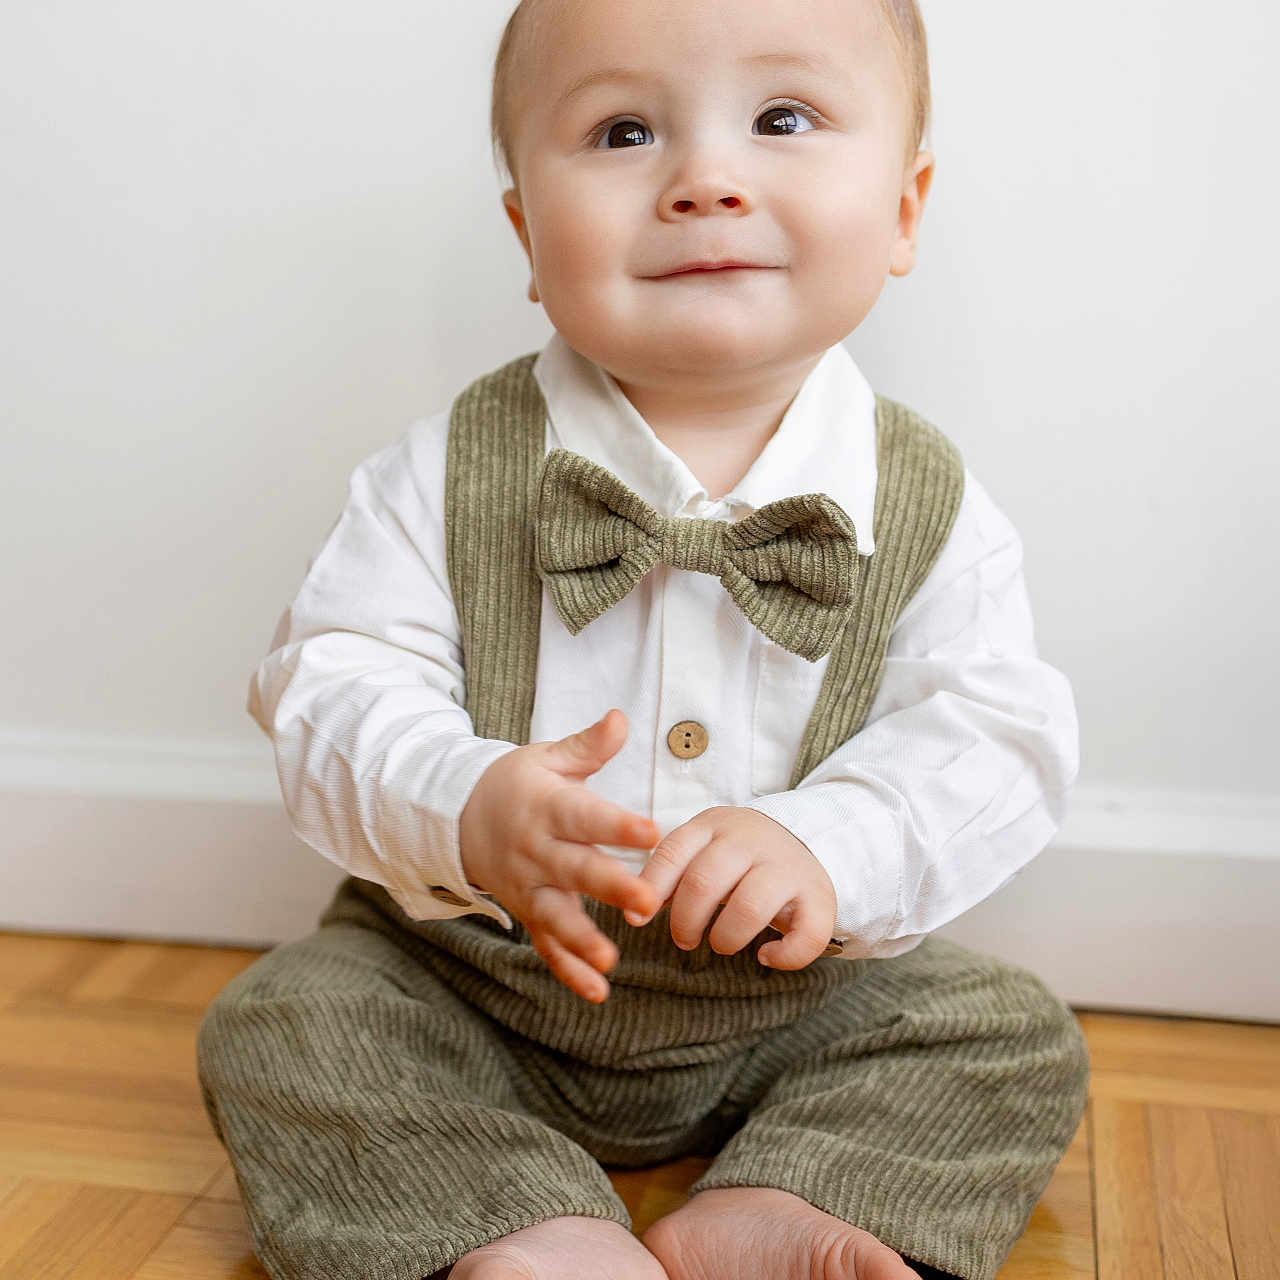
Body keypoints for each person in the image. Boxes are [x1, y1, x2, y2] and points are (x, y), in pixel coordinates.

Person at [196, 0, 1090, 1277]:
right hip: (470, 984)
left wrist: (829, 840)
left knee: (1006, 1030)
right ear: (526, 232)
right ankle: (522, 1225)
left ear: (901, 209)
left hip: (796, 1003)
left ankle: (779, 1199)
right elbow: (328, 682)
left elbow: (993, 735)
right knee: (288, 1019)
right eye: (623, 131)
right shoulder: (442, 473)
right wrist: (465, 801)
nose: (704, 180)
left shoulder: (927, 501)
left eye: (781, 117)